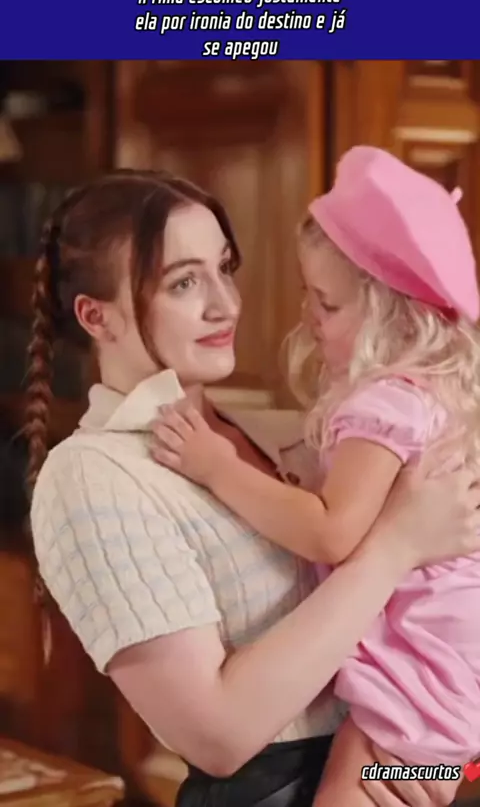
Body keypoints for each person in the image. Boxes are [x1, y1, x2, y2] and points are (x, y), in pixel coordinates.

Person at [26, 168, 480, 807]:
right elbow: (218, 737)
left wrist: (441, 769)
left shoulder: (291, 432)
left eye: (225, 269)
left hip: (396, 764)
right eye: (184, 282)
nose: (226, 304)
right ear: (96, 317)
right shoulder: (93, 475)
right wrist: (396, 548)